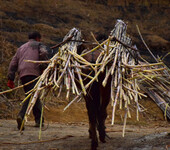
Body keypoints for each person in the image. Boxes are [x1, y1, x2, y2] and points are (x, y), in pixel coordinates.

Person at [7, 31, 48, 130]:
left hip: (23, 74)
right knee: (30, 96)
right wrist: (43, 66)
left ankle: (39, 120)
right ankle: (21, 116)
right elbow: (44, 53)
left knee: (34, 95)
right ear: (37, 38)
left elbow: (13, 63)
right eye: (40, 38)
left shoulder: (21, 48)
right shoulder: (39, 45)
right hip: (33, 73)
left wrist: (10, 78)